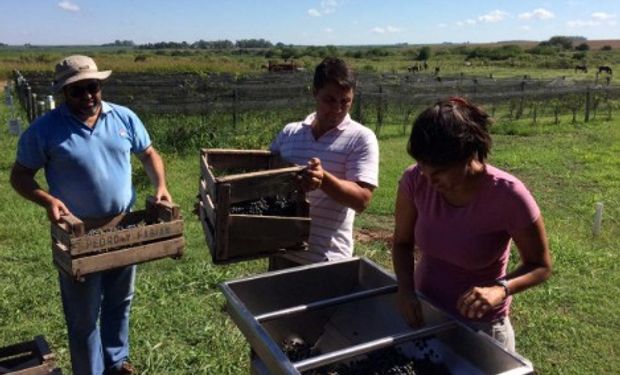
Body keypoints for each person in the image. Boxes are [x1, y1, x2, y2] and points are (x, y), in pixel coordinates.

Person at [10, 55, 172, 375]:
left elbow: (149, 153)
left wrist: (162, 186)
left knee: (119, 301)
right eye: (77, 90)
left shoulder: (123, 118)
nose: (87, 96)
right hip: (79, 234)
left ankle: (115, 362)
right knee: (83, 315)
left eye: (92, 87)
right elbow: (20, 176)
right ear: (63, 94)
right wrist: (47, 200)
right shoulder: (45, 130)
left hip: (124, 227)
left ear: (100, 86)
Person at [391, 97, 552, 351]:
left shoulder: (509, 196)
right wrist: (406, 290)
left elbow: (541, 266)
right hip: (426, 313)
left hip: (482, 327)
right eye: (423, 167)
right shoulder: (415, 180)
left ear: (467, 156)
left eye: (439, 172)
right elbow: (401, 243)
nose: (429, 180)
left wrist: (500, 289)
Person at [268, 57, 379, 268]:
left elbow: (362, 200)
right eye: (329, 100)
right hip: (282, 252)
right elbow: (262, 179)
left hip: (327, 259)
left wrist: (323, 180)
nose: (337, 109)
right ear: (314, 92)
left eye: (345, 101)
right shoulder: (290, 132)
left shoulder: (361, 138)